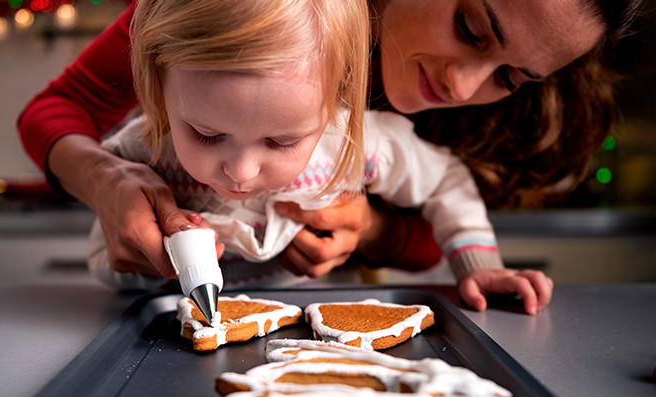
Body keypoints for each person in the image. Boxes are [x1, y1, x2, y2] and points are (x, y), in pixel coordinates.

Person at [17, 0, 643, 314]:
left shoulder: (361, 139)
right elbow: (57, 109)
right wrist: (107, 181)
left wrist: (371, 227)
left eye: (511, 76)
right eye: (472, 28)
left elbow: (439, 198)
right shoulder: (217, 18)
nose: (459, 89)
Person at [89, 0, 513, 297]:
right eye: (205, 133)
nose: (241, 171)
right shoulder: (141, 153)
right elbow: (105, 263)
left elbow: (445, 180)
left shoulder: (352, 141)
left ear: (338, 96)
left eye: (282, 142)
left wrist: (481, 267)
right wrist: (155, 262)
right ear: (159, 90)